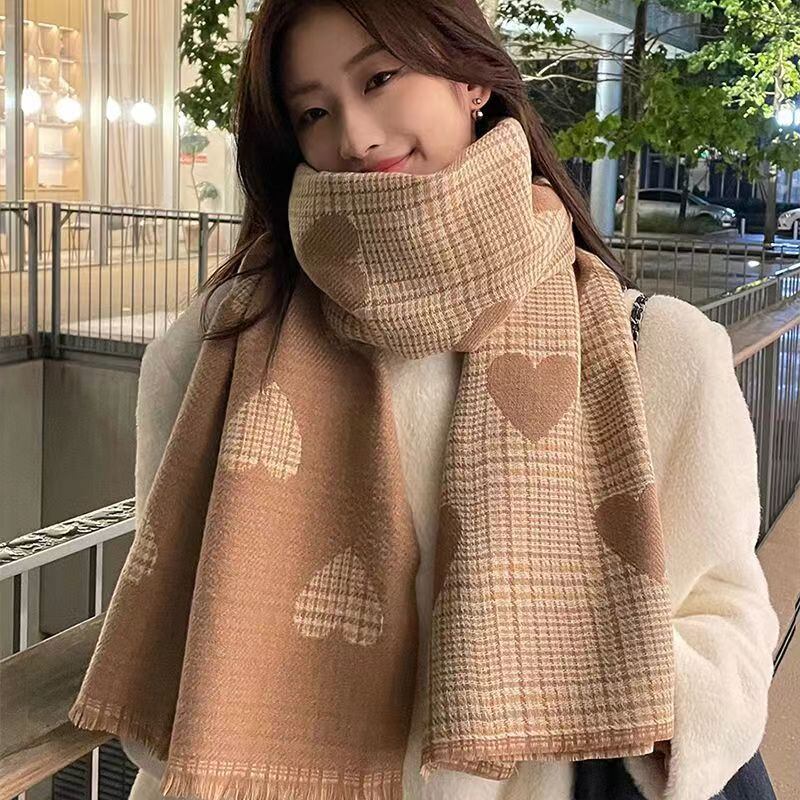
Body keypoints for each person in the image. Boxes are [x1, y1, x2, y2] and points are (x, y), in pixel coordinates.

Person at [112, 2, 778, 799]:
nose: (356, 136)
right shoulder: (214, 353)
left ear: (471, 80)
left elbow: (727, 620)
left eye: (380, 78)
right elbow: (173, 630)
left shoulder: (660, 352)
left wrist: (590, 650)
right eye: (314, 112)